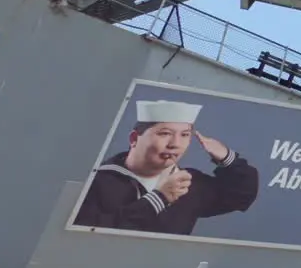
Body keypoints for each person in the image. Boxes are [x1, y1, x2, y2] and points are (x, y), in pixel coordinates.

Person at [72, 98, 259, 235]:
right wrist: (159, 198)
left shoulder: (189, 183)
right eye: (165, 133)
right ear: (134, 138)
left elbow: (241, 196)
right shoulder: (98, 180)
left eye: (185, 135)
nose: (175, 144)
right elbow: (86, 233)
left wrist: (228, 159)